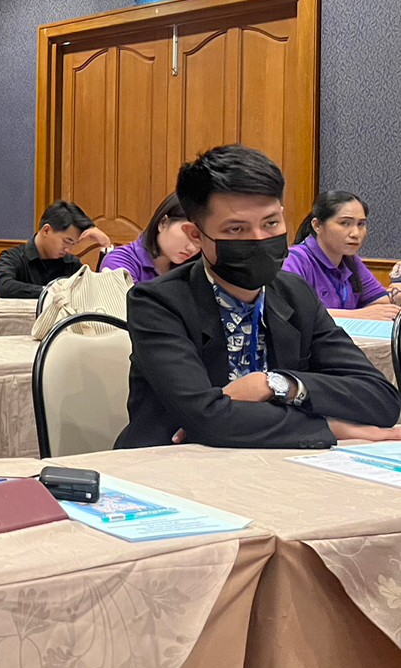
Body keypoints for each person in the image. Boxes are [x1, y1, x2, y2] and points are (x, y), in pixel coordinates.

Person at [117, 145, 401, 450]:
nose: (259, 240)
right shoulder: (157, 302)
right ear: (196, 235)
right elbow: (208, 420)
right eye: (236, 229)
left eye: (271, 224)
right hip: (168, 463)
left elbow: (381, 398)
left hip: (279, 461)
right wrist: (331, 426)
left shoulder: (294, 294)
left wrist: (277, 384)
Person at [283, 191, 401, 319]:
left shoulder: (351, 261)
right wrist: (357, 315)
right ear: (317, 225)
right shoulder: (294, 260)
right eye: (345, 223)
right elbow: (292, 312)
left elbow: (381, 302)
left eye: (361, 224)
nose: (355, 233)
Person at [0, 200, 112, 299]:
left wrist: (106, 246)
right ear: (46, 230)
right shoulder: (12, 257)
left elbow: (94, 290)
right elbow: (4, 287)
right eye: (67, 241)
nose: (69, 250)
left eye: (74, 244)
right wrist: (51, 291)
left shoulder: (70, 263)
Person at [100, 194, 200, 284]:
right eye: (190, 234)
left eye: (202, 239)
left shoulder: (194, 269)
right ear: (163, 222)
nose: (193, 248)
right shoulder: (120, 262)